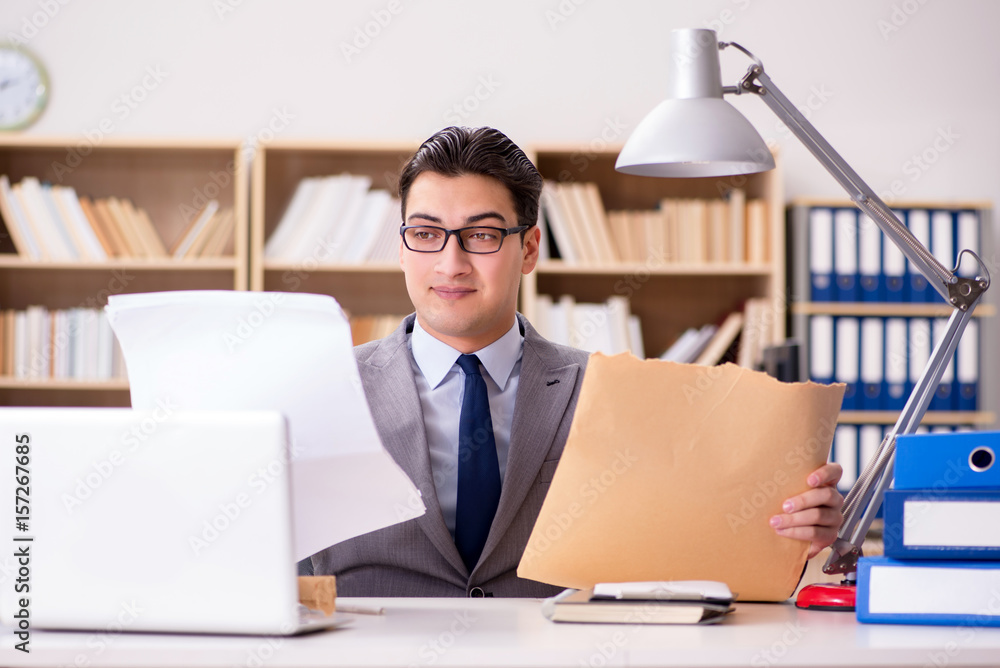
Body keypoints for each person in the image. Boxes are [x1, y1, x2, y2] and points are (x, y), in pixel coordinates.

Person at [309, 126, 844, 597]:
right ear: (402, 247)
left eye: (482, 235)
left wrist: (802, 539)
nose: (452, 264)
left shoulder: (610, 391)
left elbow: (686, 549)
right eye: (426, 234)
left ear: (530, 248)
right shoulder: (324, 391)